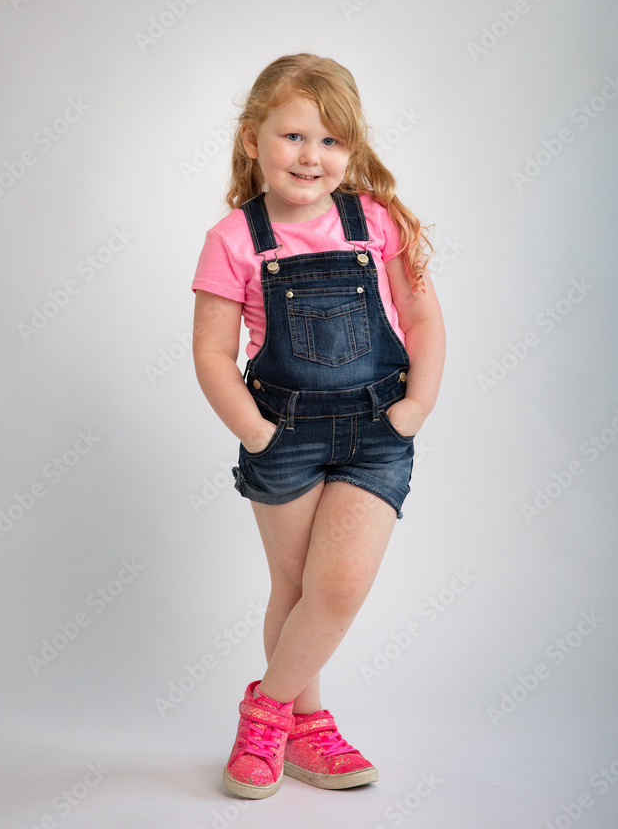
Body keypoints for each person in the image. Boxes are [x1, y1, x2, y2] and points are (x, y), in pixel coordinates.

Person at [191, 52, 446, 800]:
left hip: (376, 428)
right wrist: (256, 429)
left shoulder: (376, 221)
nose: (313, 156)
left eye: (332, 140)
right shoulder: (234, 238)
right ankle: (308, 730)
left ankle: (262, 715)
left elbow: (424, 314)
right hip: (284, 431)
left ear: (352, 150)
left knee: (336, 586)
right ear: (252, 139)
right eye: (294, 136)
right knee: (295, 584)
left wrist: (417, 406)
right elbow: (209, 352)